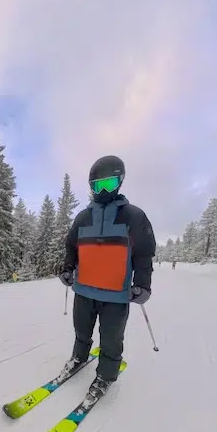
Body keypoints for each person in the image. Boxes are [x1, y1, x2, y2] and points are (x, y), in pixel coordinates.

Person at [58, 155, 155, 395]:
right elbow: (71, 246)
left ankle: (106, 375)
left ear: (120, 182)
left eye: (109, 184)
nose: (102, 190)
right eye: (97, 185)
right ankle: (79, 357)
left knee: (111, 338)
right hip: (84, 289)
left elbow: (144, 254)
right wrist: (67, 268)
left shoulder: (133, 216)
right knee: (81, 331)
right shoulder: (83, 217)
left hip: (116, 295)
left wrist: (142, 285)